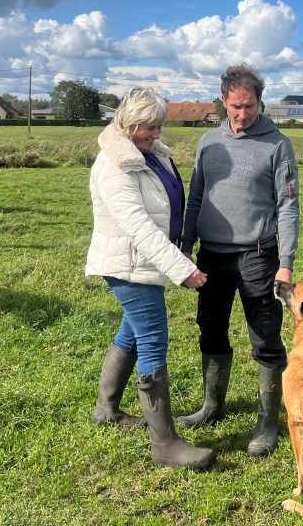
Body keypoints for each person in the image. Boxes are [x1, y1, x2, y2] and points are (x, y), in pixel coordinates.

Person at [84, 87, 215, 470]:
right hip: (129, 264)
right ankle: (165, 445)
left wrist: (179, 248)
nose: (156, 134)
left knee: (132, 332)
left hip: (146, 261)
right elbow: (139, 226)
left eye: (159, 127)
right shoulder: (115, 164)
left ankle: (106, 410)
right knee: (153, 340)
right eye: (150, 127)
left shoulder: (150, 153)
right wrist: (182, 269)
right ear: (129, 123)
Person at [177, 63, 300, 457]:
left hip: (258, 255)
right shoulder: (208, 142)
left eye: (249, 106)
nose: (242, 114)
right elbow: (196, 197)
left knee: (265, 337)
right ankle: (211, 406)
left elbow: (288, 206)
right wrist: (185, 246)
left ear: (260, 102)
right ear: (223, 101)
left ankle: (267, 421)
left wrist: (286, 262)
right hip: (211, 256)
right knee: (211, 331)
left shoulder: (278, 145)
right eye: (235, 106)